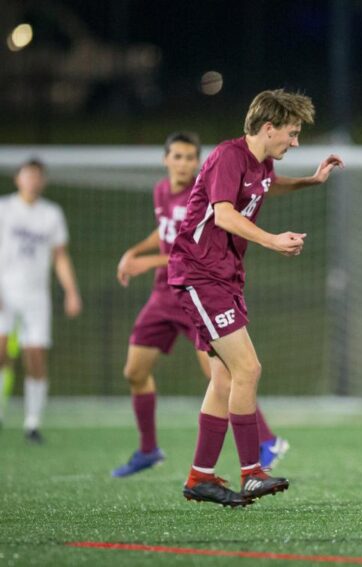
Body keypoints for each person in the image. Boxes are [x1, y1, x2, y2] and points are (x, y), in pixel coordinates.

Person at [167, 89, 344, 507]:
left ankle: (201, 477)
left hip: (223, 277)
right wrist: (272, 240)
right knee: (248, 367)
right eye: (292, 133)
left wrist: (310, 180)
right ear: (269, 128)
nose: (295, 142)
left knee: (226, 377)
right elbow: (225, 214)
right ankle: (251, 472)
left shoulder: (260, 162)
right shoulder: (228, 157)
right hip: (200, 274)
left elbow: (267, 186)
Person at [111, 132, 288, 478]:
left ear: (198, 161)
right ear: (166, 159)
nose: (184, 163)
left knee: (226, 373)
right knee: (134, 371)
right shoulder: (161, 191)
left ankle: (263, 443)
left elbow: (190, 248)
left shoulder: (204, 191)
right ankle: (150, 450)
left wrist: (145, 262)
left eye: (191, 157)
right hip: (163, 297)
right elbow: (164, 233)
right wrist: (136, 251)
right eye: (177, 156)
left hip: (194, 289)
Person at [0, 159, 82, 443]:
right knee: (1, 353)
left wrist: (71, 291)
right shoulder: (4, 209)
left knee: (35, 356)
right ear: (18, 179)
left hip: (36, 295)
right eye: (28, 175)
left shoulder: (51, 214)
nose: (33, 181)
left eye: (38, 176)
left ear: (43, 181)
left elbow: (60, 256)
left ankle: (32, 422)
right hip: (5, 292)